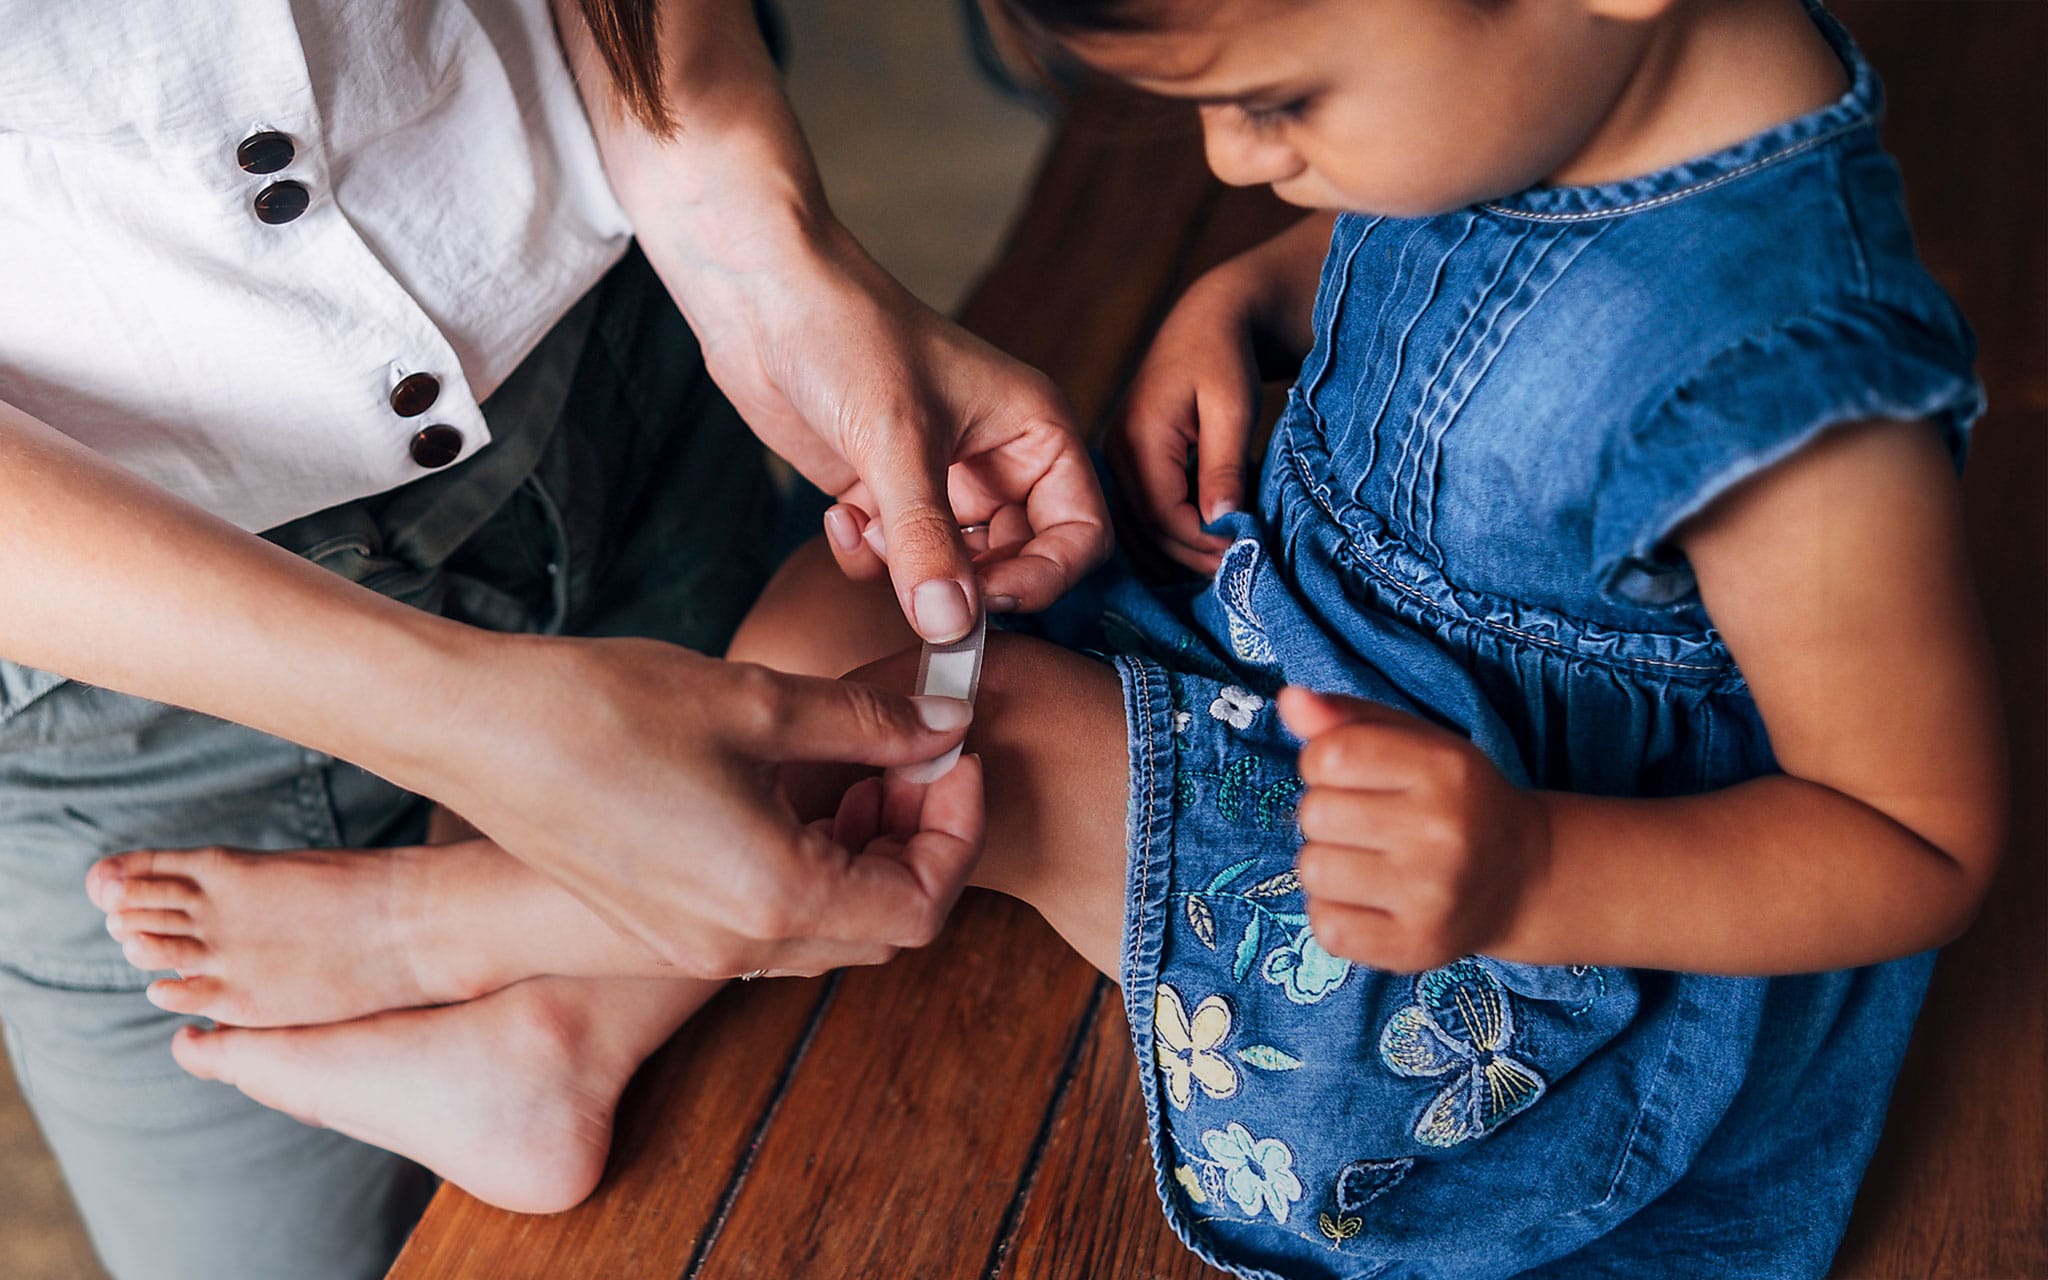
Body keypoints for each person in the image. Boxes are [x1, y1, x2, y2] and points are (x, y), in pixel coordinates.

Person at [85, 0, 2006, 1274]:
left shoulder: (1789, 408)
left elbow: (1913, 844)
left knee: (973, 724)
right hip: (1301, 645)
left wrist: (1526, 869)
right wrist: (1250, 295)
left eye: (1278, 105)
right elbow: (1473, 222)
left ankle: (459, 921)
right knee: (864, 593)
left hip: (1492, 955)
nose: (1244, 157)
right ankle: (566, 1039)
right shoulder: (1579, 75)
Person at [0, 1, 1109, 1277]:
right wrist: (477, 735)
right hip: (125, 649)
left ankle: (534, 1004)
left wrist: (762, 248)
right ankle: (510, 977)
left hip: (623, 379)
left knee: (911, 632)